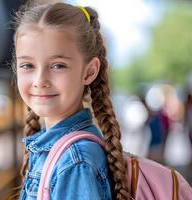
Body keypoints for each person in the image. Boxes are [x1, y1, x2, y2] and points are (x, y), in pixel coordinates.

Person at [13, 2, 129, 200]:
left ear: (89, 71)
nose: (40, 80)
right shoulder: (58, 149)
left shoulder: (75, 162)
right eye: (27, 65)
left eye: (58, 65)